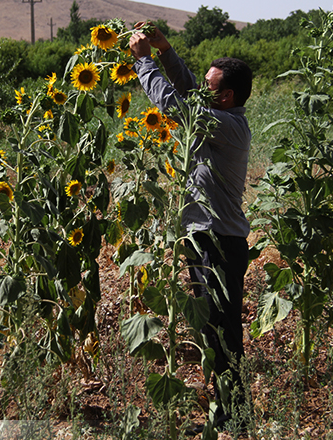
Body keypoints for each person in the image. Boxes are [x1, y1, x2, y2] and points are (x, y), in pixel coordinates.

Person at [129, 24, 252, 432]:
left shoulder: (228, 127)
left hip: (220, 243)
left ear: (227, 96)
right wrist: (165, 51)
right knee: (212, 330)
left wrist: (144, 62)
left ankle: (235, 419)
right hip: (206, 239)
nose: (203, 88)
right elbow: (189, 91)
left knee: (223, 334)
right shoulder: (219, 113)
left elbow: (178, 106)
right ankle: (227, 414)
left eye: (211, 85)